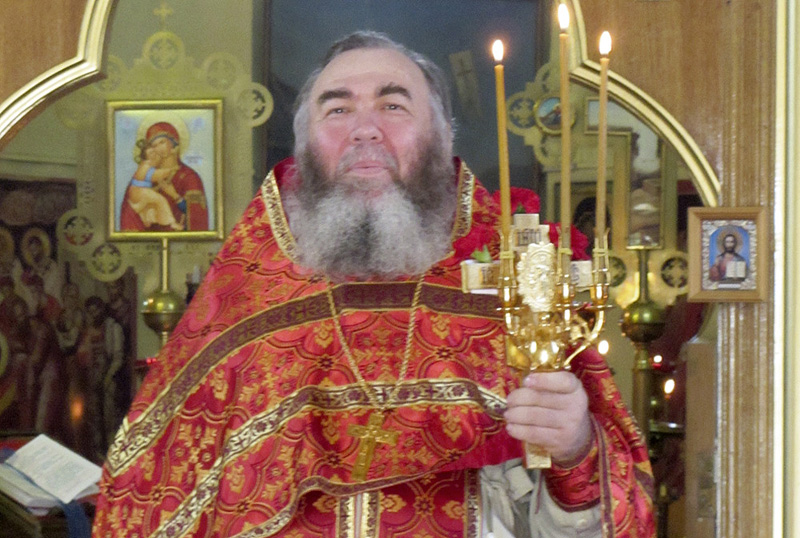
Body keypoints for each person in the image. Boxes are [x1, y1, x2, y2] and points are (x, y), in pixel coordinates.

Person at [93, 32, 654, 537]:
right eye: (338, 109)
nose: (365, 129)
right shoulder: (247, 298)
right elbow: (157, 504)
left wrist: (573, 447)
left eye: (393, 105)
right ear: (305, 144)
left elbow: (599, 520)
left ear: (441, 135)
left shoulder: (509, 292)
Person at [119, 121, 209, 232]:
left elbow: (197, 215)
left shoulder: (189, 177)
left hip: (179, 237)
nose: (158, 148)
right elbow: (128, 218)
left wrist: (175, 196)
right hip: (148, 238)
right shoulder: (143, 175)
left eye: (162, 142)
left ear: (173, 143)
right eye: (154, 146)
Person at [123, 139, 184, 230]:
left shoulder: (147, 165)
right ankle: (171, 222)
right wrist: (170, 170)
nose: (155, 154)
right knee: (161, 200)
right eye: (151, 153)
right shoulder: (146, 165)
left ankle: (147, 219)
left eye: (154, 152)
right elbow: (155, 175)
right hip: (140, 191)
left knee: (151, 205)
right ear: (145, 156)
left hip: (139, 192)